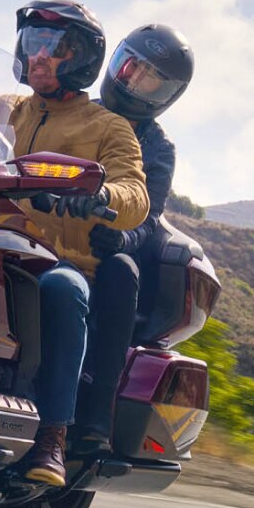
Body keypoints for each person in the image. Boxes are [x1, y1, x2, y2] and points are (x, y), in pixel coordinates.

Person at [8, 0, 150, 486]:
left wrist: (101, 195)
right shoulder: (6, 110)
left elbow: (136, 195)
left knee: (63, 291)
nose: (39, 55)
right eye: (33, 43)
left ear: (82, 59)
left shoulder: (108, 127)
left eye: (54, 47)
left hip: (55, 259)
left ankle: (52, 436)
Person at [74, 24, 195, 453]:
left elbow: (149, 217)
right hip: (47, 226)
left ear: (167, 95)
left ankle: (96, 414)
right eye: (131, 68)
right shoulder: (75, 112)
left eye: (151, 81)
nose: (134, 81)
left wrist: (120, 240)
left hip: (106, 245)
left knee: (122, 272)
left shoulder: (158, 148)